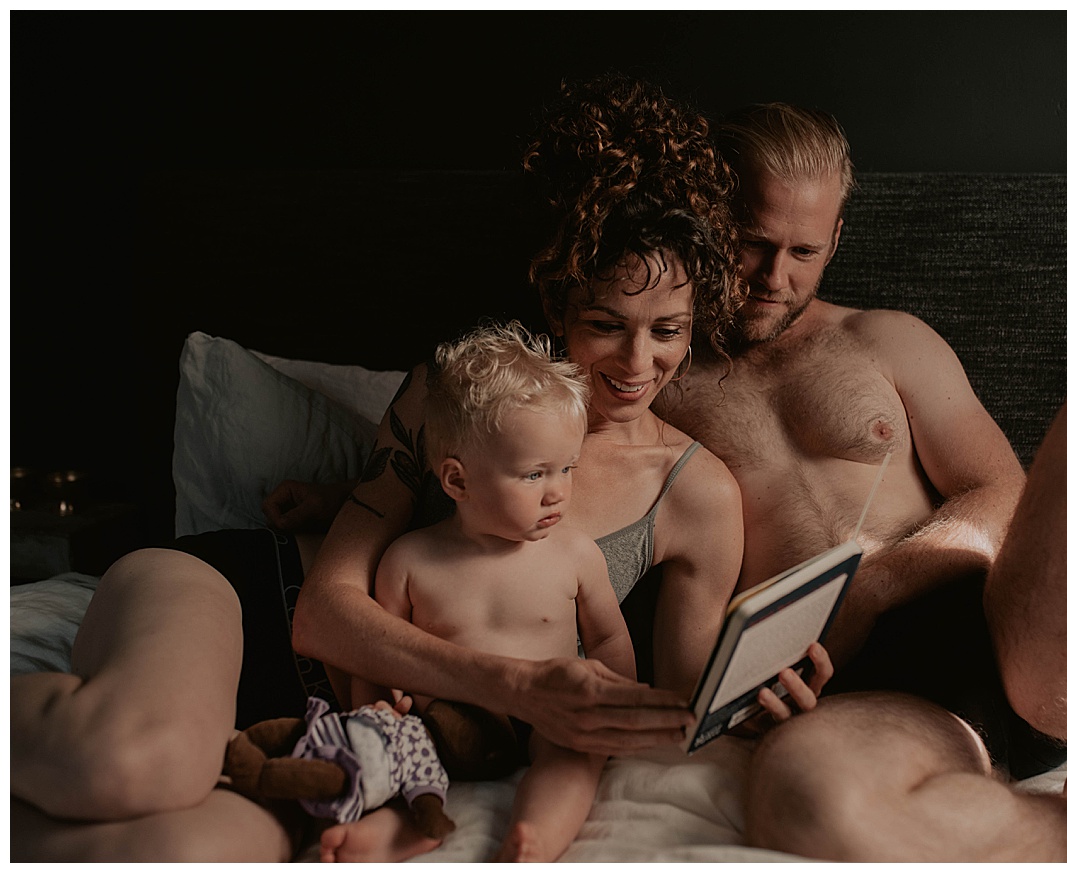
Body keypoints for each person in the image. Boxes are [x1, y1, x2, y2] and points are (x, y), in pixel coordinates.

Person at [9, 74, 756, 862]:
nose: (638, 362)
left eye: (668, 329)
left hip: (354, 749)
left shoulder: (697, 493)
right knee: (135, 761)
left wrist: (763, 691)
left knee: (166, 852)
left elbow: (679, 704)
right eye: (605, 323)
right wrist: (514, 685)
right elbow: (323, 614)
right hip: (249, 600)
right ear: (556, 303)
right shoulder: (455, 392)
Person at [655, 101, 1067, 862]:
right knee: (811, 808)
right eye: (752, 242)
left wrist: (873, 585)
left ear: (838, 239)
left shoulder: (886, 339)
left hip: (1013, 628)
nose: (774, 277)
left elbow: (1001, 491)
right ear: (706, 218)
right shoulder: (650, 382)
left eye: (804, 251)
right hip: (868, 694)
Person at [317, 321, 634, 862]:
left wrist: (617, 701)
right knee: (401, 757)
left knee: (575, 752)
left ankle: (536, 833)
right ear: (457, 481)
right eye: (533, 475)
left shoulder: (576, 554)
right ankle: (403, 830)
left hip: (544, 717)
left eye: (566, 468)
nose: (558, 491)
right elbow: (375, 655)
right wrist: (377, 714)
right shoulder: (410, 561)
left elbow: (607, 640)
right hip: (444, 722)